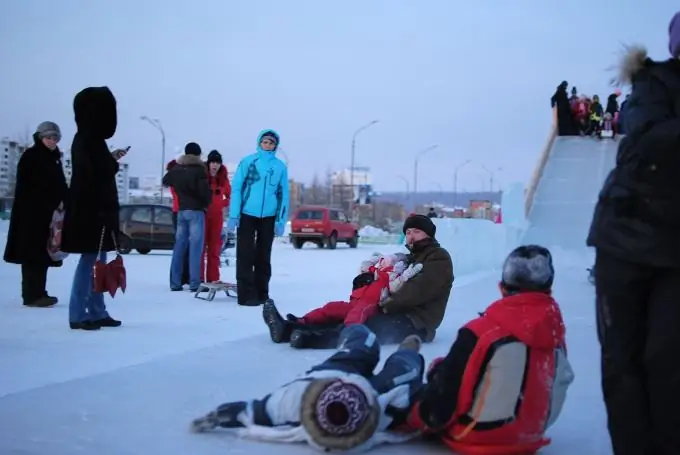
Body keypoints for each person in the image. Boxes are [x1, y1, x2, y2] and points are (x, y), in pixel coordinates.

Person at [587, 14, 680, 455]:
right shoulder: (653, 83)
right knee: (622, 361)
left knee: (667, 363)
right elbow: (646, 140)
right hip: (626, 240)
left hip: (675, 253)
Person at [406, 245, 574, 455]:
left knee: (413, 387)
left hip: (476, 435)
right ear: (548, 288)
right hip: (529, 437)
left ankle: (405, 362)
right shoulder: (555, 336)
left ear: (502, 287)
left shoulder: (479, 333)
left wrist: (415, 412)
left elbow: (440, 410)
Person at [190, 324, 425, 452]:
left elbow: (251, 411)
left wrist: (222, 414)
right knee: (403, 369)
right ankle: (407, 349)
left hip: (330, 370)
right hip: (369, 388)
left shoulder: (291, 401)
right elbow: (419, 402)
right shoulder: (379, 410)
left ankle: (331, 333)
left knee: (362, 335)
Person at [263, 214, 454, 349]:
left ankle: (310, 340)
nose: (411, 237)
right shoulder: (410, 257)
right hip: (396, 311)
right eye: (409, 232)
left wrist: (381, 304)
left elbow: (416, 291)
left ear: (429, 234)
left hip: (416, 323)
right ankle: (288, 329)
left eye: (417, 232)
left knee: (363, 326)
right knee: (346, 312)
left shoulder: (438, 258)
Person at [61, 86, 126, 331]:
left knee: (98, 262)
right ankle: (78, 313)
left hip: (97, 212)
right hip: (91, 213)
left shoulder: (89, 140)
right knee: (89, 263)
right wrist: (110, 163)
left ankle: (97, 310)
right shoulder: (87, 140)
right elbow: (93, 176)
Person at [4, 121, 68, 307]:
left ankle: (40, 292)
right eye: (49, 137)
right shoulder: (32, 157)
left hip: (47, 215)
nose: (52, 141)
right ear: (40, 138)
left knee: (43, 255)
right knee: (32, 255)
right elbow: (31, 186)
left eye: (55, 138)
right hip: (31, 216)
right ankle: (31, 295)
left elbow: (59, 184)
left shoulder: (53, 158)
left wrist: (64, 199)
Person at [228, 130, 289, 306]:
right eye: (265, 142)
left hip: (268, 217)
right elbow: (237, 188)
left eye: (271, 142)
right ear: (259, 143)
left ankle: (262, 293)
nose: (267, 145)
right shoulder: (249, 162)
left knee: (263, 255)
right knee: (245, 254)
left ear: (275, 145)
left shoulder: (280, 167)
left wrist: (281, 220)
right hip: (247, 214)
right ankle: (245, 295)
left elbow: (283, 195)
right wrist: (234, 215)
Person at [162, 142, 211, 292]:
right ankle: (195, 283)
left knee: (179, 247)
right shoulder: (199, 169)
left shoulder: (177, 168)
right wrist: (205, 202)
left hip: (181, 211)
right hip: (196, 211)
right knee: (196, 248)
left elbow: (165, 181)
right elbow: (204, 192)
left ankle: (175, 283)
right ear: (197, 154)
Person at [202, 150, 231, 283]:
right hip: (202, 216)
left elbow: (230, 195)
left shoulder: (223, 179)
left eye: (217, 163)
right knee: (200, 249)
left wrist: (222, 203)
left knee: (214, 249)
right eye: (213, 162)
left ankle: (213, 278)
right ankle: (199, 278)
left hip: (217, 218)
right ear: (208, 163)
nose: (215, 165)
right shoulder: (202, 177)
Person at [166, 158, 190, 286]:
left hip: (178, 211)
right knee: (181, 246)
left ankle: (183, 276)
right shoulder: (175, 181)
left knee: (184, 246)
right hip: (179, 212)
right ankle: (180, 277)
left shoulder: (173, 180)